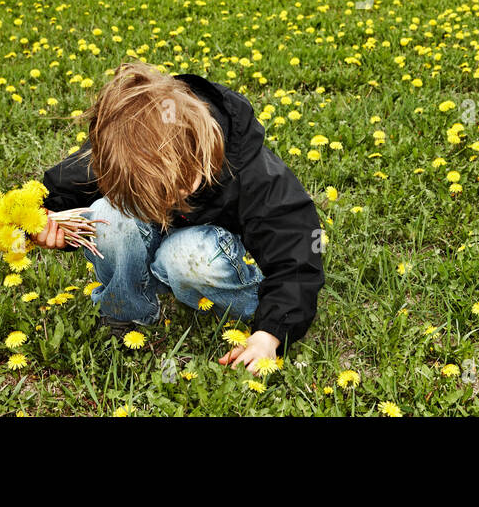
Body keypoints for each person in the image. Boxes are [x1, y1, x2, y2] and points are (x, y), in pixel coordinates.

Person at [29, 62, 324, 373]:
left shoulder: (254, 173)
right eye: (149, 194)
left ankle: (246, 306)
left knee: (183, 256)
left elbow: (298, 253)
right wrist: (36, 224)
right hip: (155, 242)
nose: (168, 200)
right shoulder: (125, 151)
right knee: (105, 214)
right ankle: (126, 309)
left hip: (210, 259)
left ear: (200, 144)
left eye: (179, 187)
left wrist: (270, 333)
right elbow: (50, 194)